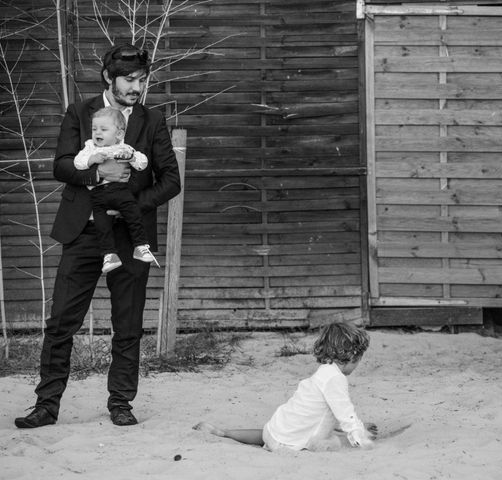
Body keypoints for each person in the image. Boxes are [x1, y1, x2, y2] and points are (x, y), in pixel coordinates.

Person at [14, 43, 181, 429]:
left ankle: (120, 402)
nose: (136, 88)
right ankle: (46, 406)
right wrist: (96, 177)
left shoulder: (152, 120)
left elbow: (170, 181)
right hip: (83, 232)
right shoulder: (79, 111)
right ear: (109, 77)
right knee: (60, 324)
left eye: (142, 80)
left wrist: (129, 206)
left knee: (128, 325)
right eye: (129, 80)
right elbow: (60, 166)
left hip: (129, 236)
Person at [193, 322, 377, 452]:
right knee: (320, 441)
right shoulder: (336, 379)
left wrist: (360, 425)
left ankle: (223, 432)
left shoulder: (324, 371)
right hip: (292, 442)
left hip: (279, 427)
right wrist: (359, 435)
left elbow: (324, 411)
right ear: (353, 357)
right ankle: (224, 433)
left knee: (264, 436)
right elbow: (344, 412)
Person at [74, 106, 159, 273]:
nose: (97, 132)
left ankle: (140, 246)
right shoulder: (90, 147)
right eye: (94, 129)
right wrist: (92, 159)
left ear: (119, 134)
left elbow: (143, 163)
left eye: (103, 129)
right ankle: (109, 255)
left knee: (133, 215)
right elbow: (78, 162)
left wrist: (132, 157)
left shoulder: (124, 148)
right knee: (102, 225)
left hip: (120, 191)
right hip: (98, 195)